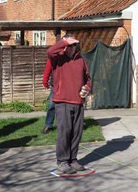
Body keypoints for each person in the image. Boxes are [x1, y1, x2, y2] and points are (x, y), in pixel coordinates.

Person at [47, 34, 91, 174]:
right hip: (63, 101)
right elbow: (49, 51)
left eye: (74, 44)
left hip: (78, 101)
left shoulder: (81, 60)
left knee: (76, 132)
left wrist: (87, 89)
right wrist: (65, 41)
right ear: (64, 45)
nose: (72, 47)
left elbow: (88, 79)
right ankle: (62, 161)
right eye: (70, 44)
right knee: (64, 132)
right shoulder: (57, 58)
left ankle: (73, 159)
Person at [42, 58, 55, 134]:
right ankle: (48, 125)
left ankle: (67, 125)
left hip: (66, 87)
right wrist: (45, 82)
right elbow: (48, 69)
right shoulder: (52, 57)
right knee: (51, 105)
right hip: (55, 86)